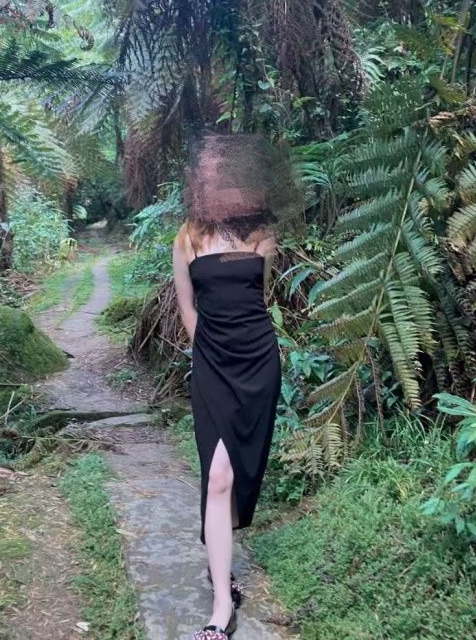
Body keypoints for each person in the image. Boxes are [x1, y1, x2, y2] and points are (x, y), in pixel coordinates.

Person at [172, 132, 289, 640]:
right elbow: (188, 309)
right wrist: (210, 355)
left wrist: (240, 350)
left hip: (258, 361)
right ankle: (223, 604)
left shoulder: (262, 234)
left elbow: (258, 300)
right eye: (210, 174)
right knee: (217, 475)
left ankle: (219, 562)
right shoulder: (187, 237)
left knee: (240, 469)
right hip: (212, 365)